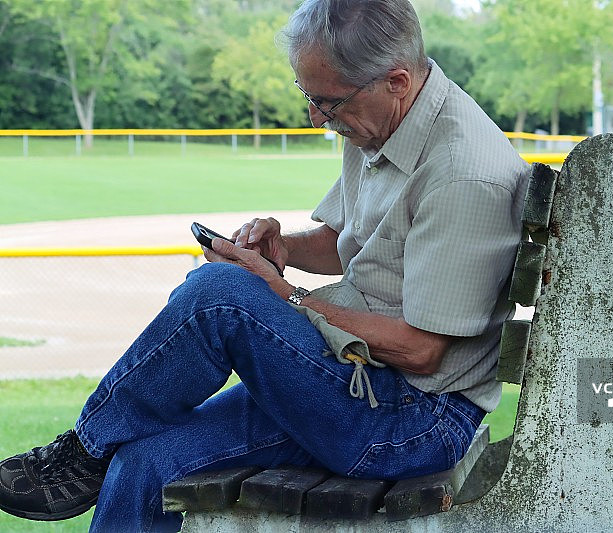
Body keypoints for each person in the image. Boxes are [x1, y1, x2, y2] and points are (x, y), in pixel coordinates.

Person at [0, 0, 529, 531]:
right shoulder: (382, 116)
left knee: (221, 296)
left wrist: (285, 296)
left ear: (395, 79)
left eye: (327, 102)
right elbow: (350, 242)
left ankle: (81, 453)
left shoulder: (463, 175)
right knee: (141, 465)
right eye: (309, 96)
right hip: (355, 381)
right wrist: (283, 249)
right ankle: (94, 454)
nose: (316, 118)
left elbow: (421, 348)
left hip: (413, 418)